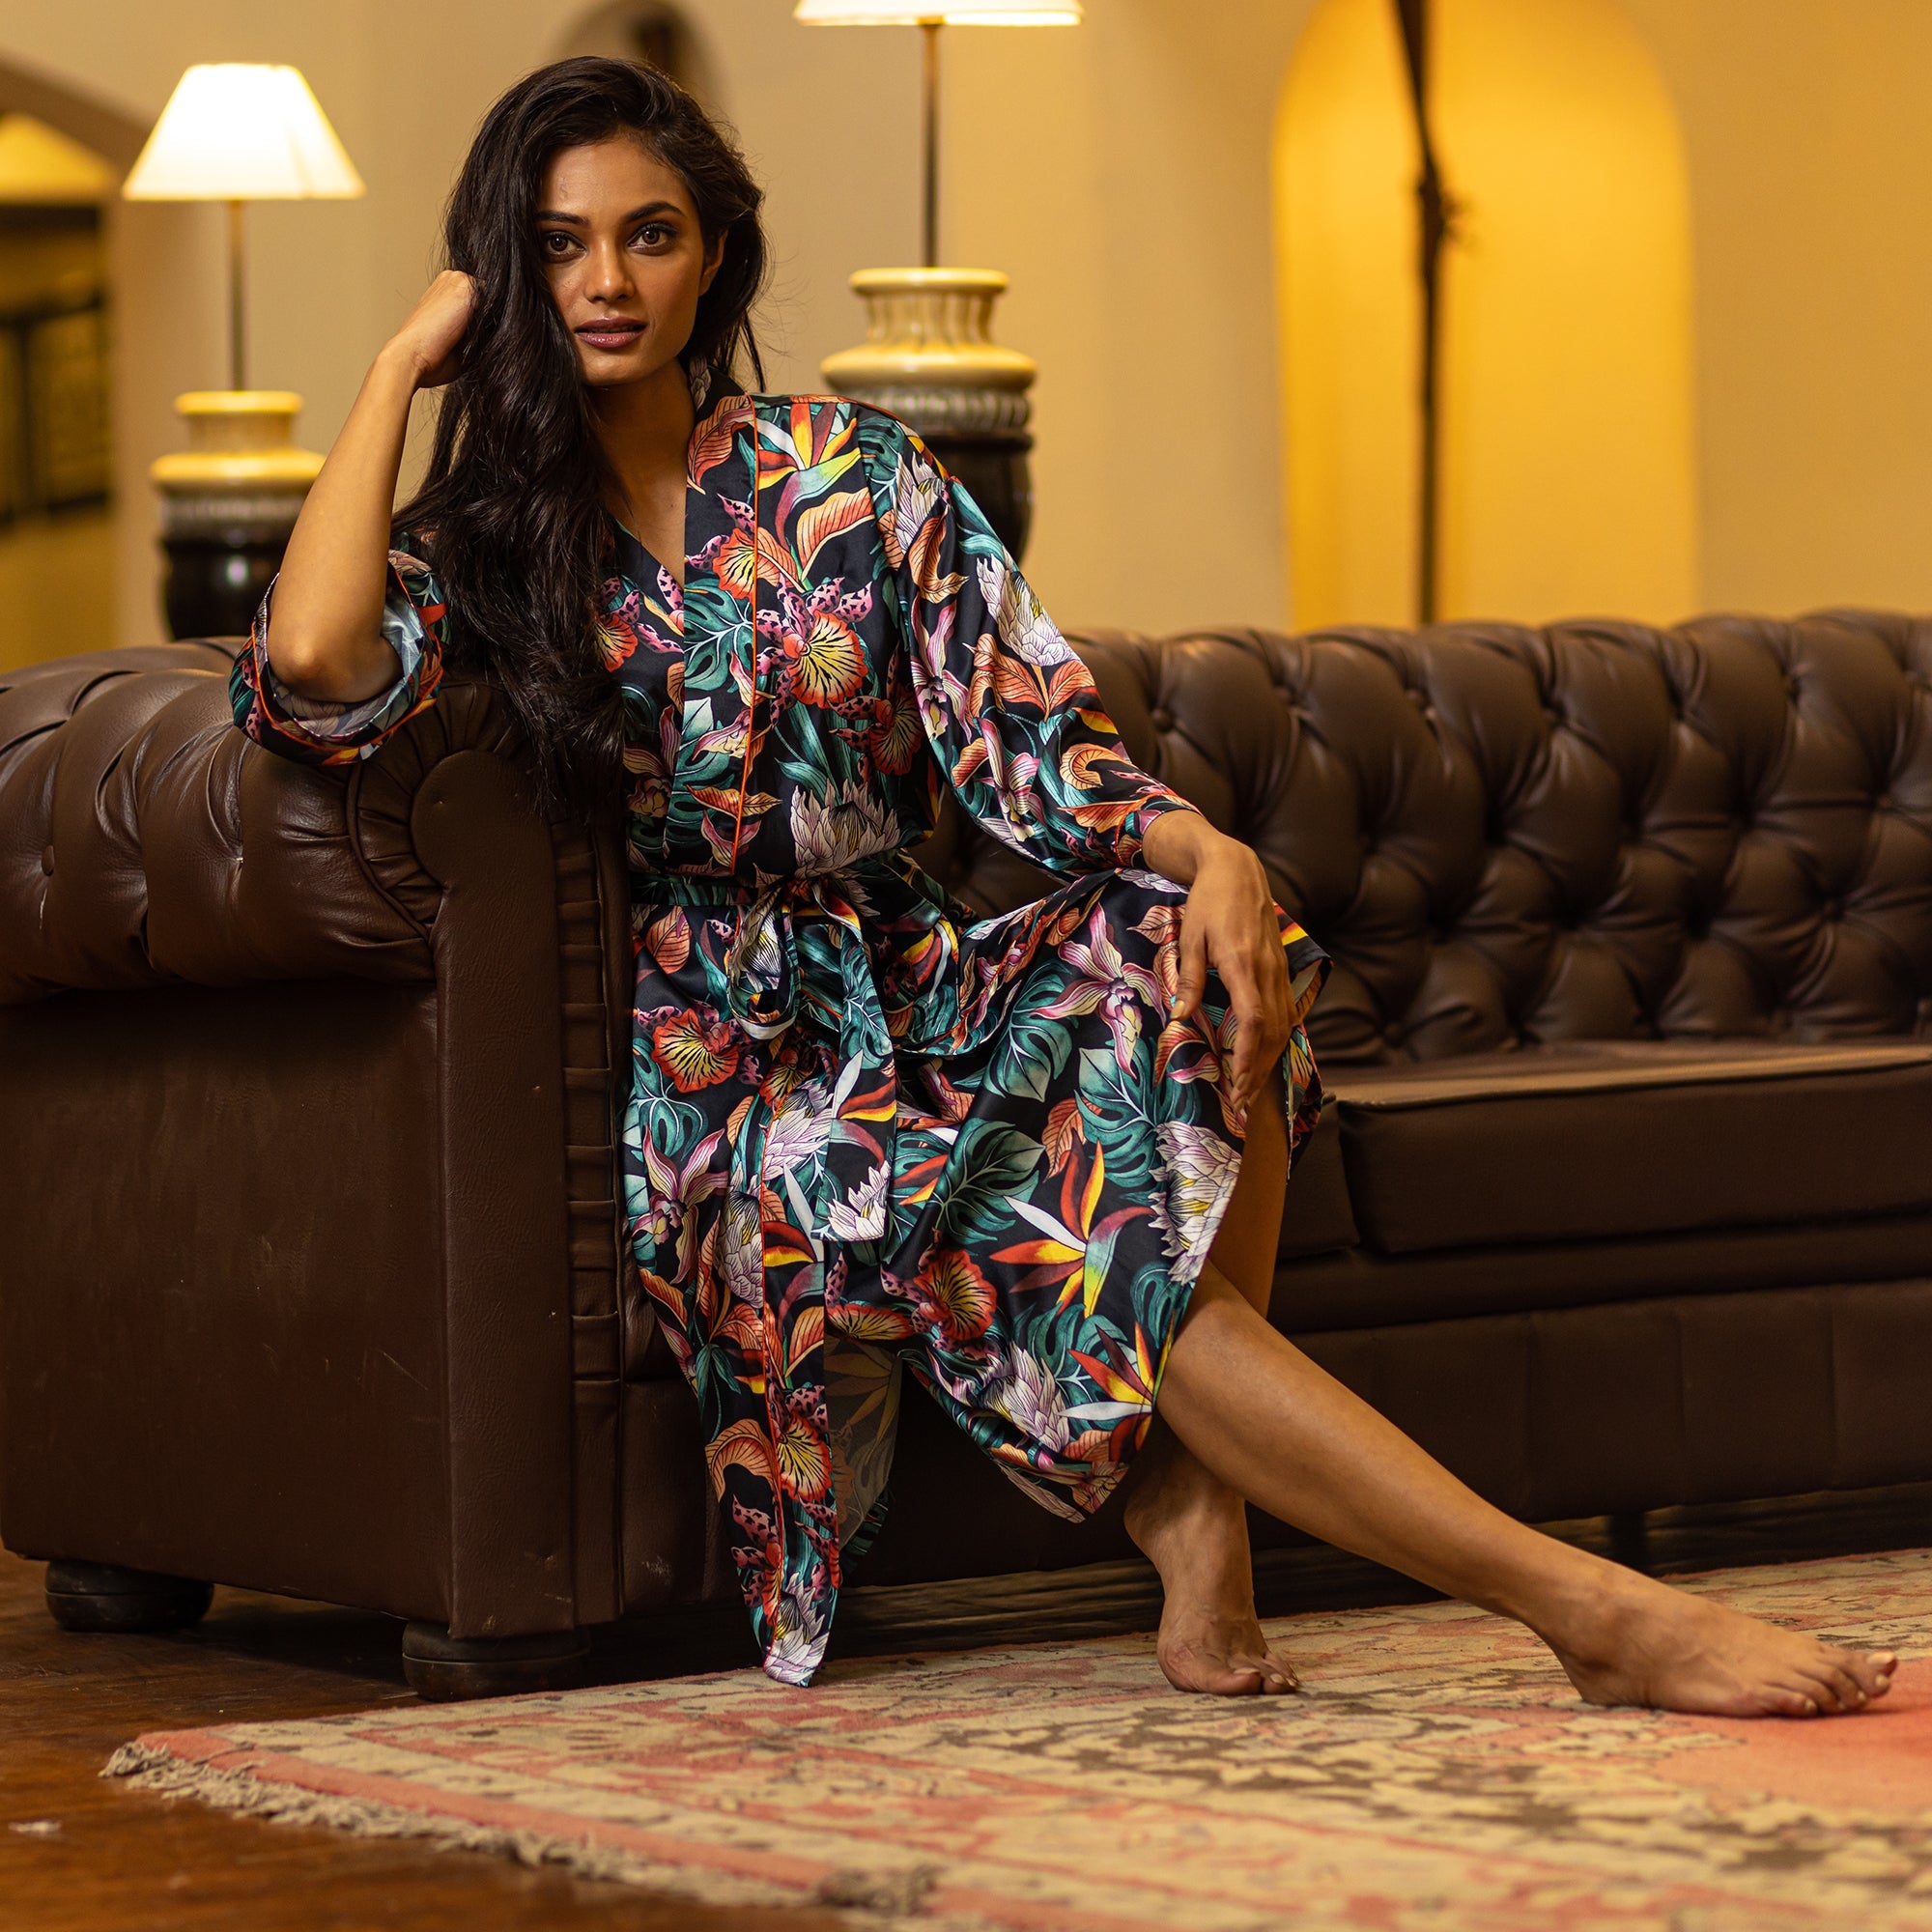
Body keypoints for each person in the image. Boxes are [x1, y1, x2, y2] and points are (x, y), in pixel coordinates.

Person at [237, 55, 1896, 1716]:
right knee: (1043, 1209)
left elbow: (1036, 741)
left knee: (1202, 951)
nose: (605, 282)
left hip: (912, 983)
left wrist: (1218, 857)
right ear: (502, 273)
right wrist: (402, 358)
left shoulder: (856, 479)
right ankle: (1581, 1605)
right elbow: (310, 655)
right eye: (555, 245)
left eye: (648, 235)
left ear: (712, 253)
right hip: (727, 1079)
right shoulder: (492, 543)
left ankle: (1207, 1513)